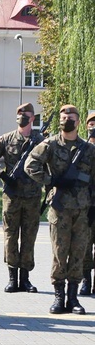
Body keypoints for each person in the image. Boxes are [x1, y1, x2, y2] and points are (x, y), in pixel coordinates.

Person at [24, 105, 95, 315]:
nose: (67, 120)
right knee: (59, 252)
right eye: (64, 117)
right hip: (60, 207)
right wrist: (52, 180)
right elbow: (31, 165)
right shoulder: (51, 144)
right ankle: (59, 296)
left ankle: (73, 297)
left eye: (71, 117)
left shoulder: (89, 149)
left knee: (78, 253)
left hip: (82, 209)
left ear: (79, 121)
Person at [0, 103, 43, 294]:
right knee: (10, 236)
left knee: (29, 237)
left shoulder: (40, 140)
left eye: (25, 114)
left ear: (32, 118)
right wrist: (0, 173)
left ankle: (25, 279)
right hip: (12, 196)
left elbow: (50, 164)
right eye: (19, 114)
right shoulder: (6, 139)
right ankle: (12, 278)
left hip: (32, 196)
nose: (22, 116)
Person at [82, 111, 95, 295]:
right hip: (84, 204)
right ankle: (86, 280)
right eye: (91, 124)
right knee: (84, 244)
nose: (94, 127)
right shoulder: (82, 149)